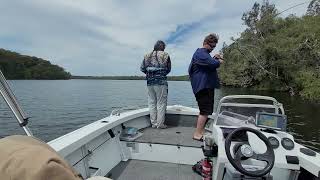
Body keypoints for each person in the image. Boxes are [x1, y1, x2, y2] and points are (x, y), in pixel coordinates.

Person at [188, 33, 224, 141]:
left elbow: (208, 64)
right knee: (204, 111)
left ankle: (201, 131)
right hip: (203, 87)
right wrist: (218, 61)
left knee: (207, 110)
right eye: (211, 46)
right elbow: (212, 64)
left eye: (214, 47)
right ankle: (197, 134)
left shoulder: (204, 55)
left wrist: (214, 58)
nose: (212, 48)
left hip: (206, 86)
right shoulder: (200, 53)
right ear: (205, 43)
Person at [140, 40, 171, 129]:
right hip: (161, 82)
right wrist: (161, 73)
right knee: (161, 103)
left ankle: (154, 124)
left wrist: (150, 73)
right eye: (164, 47)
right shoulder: (165, 55)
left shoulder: (147, 55)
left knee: (152, 102)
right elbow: (168, 69)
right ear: (162, 47)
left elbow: (142, 68)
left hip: (149, 82)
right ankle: (160, 124)